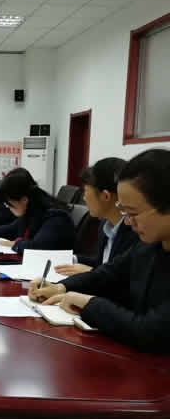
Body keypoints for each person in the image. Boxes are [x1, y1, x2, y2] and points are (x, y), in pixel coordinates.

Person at [29, 149, 170, 352]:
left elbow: (151, 332)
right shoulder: (149, 246)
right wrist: (61, 287)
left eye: (133, 213)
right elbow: (108, 274)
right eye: (124, 211)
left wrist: (90, 304)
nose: (127, 222)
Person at [55, 158, 139, 276]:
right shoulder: (105, 224)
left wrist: (91, 272)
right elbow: (103, 262)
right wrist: (72, 259)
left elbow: (123, 278)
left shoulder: (135, 231)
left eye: (85, 191)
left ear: (105, 196)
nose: (84, 198)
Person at [0, 167, 74, 253]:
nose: (8, 207)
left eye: (10, 204)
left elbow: (36, 247)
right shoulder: (32, 209)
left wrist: (16, 243)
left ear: (23, 200)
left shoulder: (55, 217)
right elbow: (12, 228)